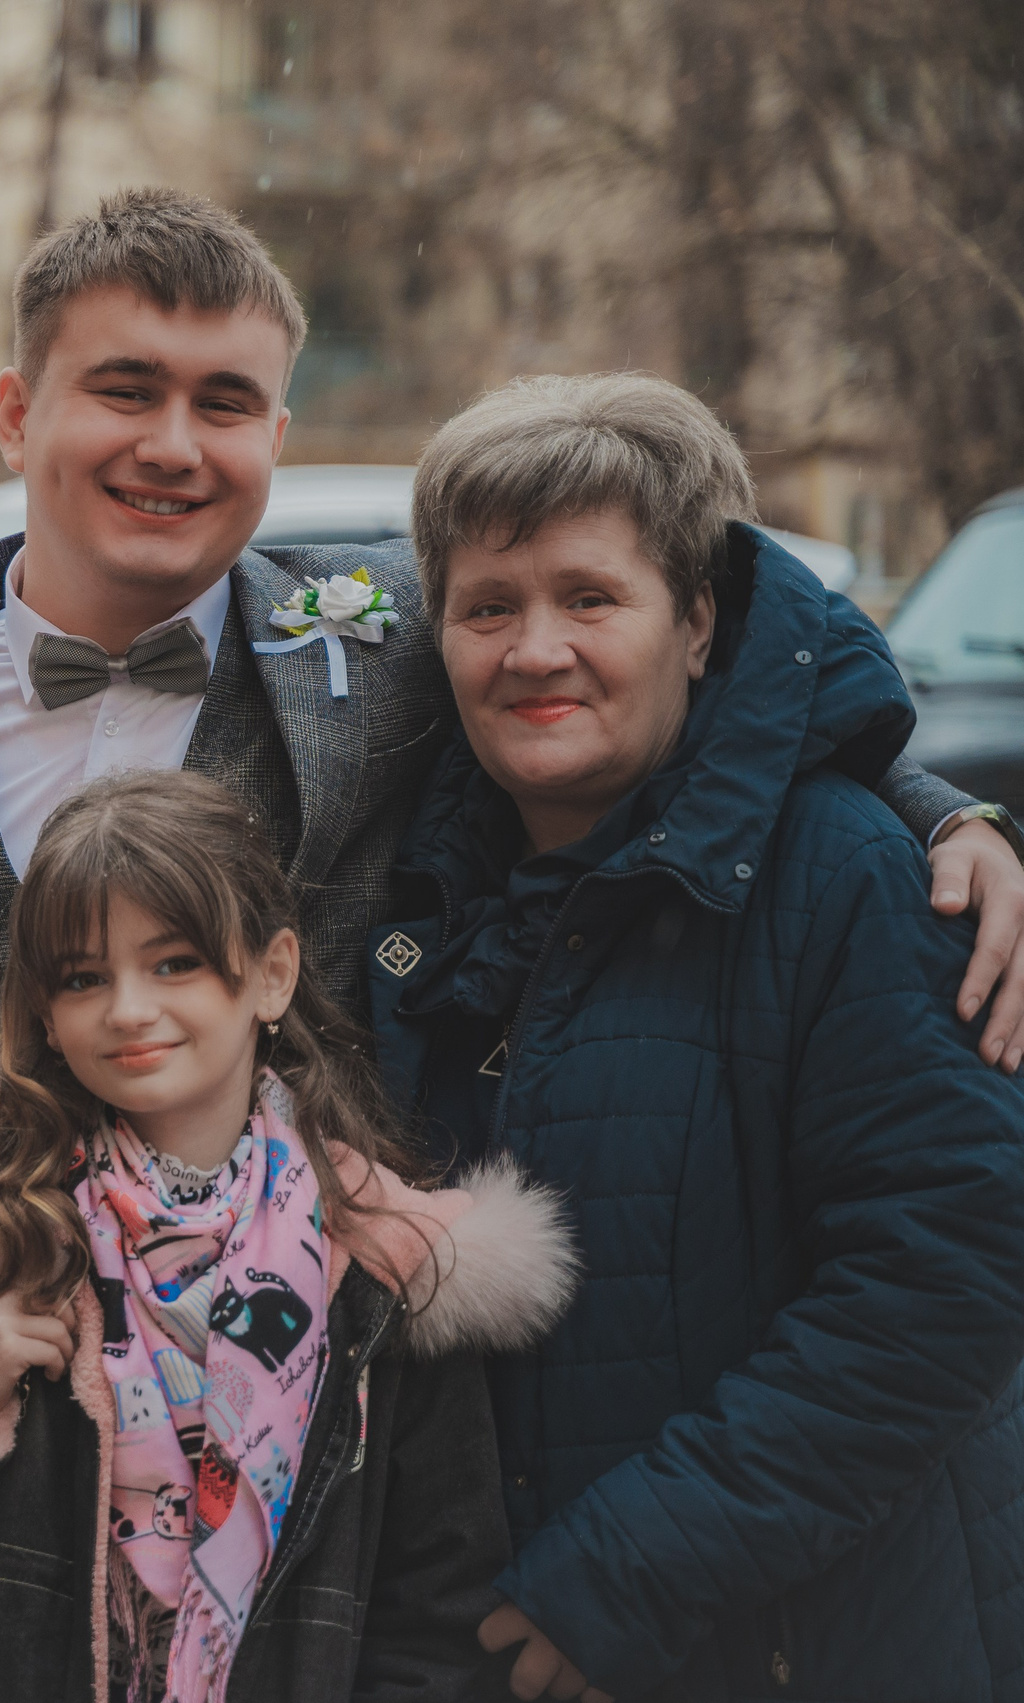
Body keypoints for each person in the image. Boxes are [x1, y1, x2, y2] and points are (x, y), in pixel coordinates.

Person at [0, 188, 1024, 1298]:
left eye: (225, 403)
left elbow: (715, 678)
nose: (176, 445)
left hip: (310, 1416)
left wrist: (935, 809)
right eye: (126, 390)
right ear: (16, 413)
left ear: (276, 435)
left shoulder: (404, 635)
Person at [362, 373, 1024, 1703]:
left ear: (701, 621)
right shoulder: (407, 891)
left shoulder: (845, 876)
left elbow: (941, 1278)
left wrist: (630, 1574)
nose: (533, 647)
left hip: (784, 1641)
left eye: (591, 597)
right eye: (489, 606)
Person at [0, 769, 578, 1702]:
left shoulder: (384, 1267)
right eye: (83, 977)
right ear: (45, 1009)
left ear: (271, 973)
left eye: (175, 963)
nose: (127, 1008)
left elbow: (438, 1618)